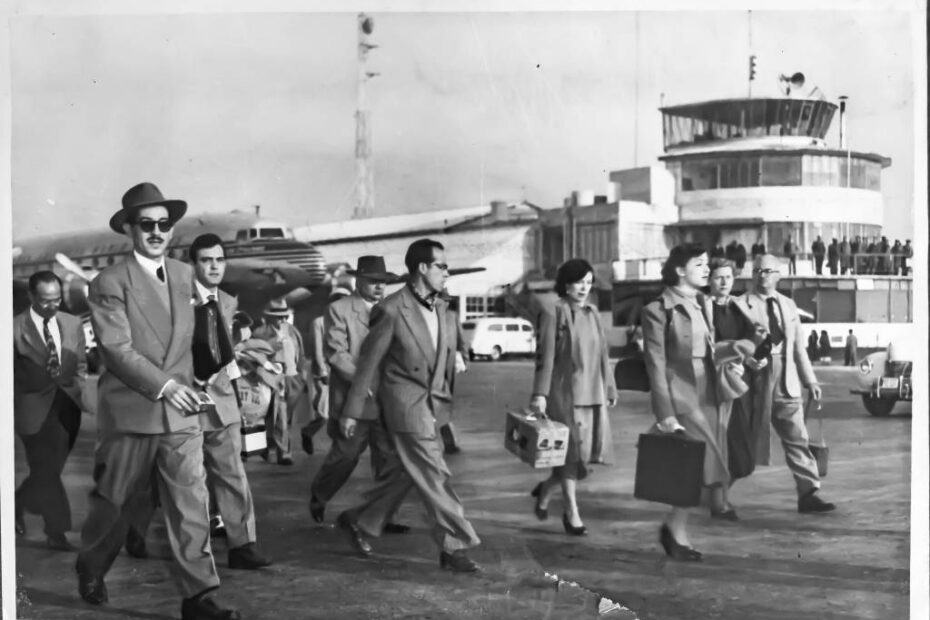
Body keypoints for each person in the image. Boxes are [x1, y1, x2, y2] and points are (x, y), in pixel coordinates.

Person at [75, 182, 239, 619]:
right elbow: (117, 350)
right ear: (129, 229)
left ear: (172, 230)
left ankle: (198, 596)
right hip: (133, 411)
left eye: (164, 224)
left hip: (182, 412)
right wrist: (169, 385)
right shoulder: (109, 283)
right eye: (146, 224)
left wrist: (209, 369)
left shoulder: (188, 276)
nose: (156, 231)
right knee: (113, 504)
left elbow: (204, 334)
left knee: (191, 504)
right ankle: (91, 564)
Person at [123, 234, 273, 569]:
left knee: (233, 474)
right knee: (171, 478)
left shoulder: (230, 302)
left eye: (219, 260)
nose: (214, 266)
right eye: (206, 260)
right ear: (194, 264)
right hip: (185, 402)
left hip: (223, 403)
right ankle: (134, 526)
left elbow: (225, 351)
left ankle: (242, 545)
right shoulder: (173, 301)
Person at [336, 239, 481, 572]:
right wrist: (352, 412)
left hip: (434, 405)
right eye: (442, 266)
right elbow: (368, 365)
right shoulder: (390, 310)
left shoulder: (444, 308)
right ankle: (454, 546)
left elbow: (446, 355)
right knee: (435, 474)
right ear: (422, 268)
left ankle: (359, 520)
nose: (447, 272)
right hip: (405, 406)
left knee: (406, 474)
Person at [308, 255, 411, 535]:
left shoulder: (394, 309)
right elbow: (336, 353)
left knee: (389, 458)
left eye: (384, 283)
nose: (379, 288)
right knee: (346, 456)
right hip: (355, 397)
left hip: (388, 398)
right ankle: (319, 495)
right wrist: (361, 380)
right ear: (359, 281)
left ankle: (382, 516)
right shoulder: (340, 309)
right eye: (373, 282)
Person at [735, 254, 835, 514]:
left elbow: (799, 348)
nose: (762, 275)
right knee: (743, 440)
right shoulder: (739, 304)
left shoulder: (789, 305)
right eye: (757, 271)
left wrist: (810, 379)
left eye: (768, 271)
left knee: (797, 438)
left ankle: (809, 494)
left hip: (787, 381)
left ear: (779, 275)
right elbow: (732, 346)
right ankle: (715, 492)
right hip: (754, 381)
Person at [642, 244, 723, 561]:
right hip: (681, 395)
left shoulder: (703, 303)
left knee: (702, 469)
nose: (707, 270)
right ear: (679, 270)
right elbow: (656, 364)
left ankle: (674, 529)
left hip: (707, 392)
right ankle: (676, 533)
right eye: (699, 264)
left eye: (707, 264)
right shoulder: (657, 310)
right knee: (698, 466)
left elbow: (708, 350)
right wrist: (665, 413)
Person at [528, 258, 618, 536]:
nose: (584, 288)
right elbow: (546, 356)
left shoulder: (593, 313)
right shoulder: (553, 312)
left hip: (593, 393)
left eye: (589, 283)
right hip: (564, 394)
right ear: (566, 283)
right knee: (570, 457)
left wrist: (611, 386)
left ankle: (545, 490)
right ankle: (572, 513)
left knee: (580, 459)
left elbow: (603, 354)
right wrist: (540, 394)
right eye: (579, 282)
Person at [13, 271, 87, 550]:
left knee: (49, 470)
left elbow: (79, 362)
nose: (53, 306)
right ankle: (56, 531)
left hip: (68, 407)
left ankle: (15, 503)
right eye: (45, 301)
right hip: (32, 410)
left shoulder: (72, 322)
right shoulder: (13, 328)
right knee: (47, 471)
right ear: (31, 297)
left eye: (57, 299)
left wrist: (79, 391)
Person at [707, 258, 767, 513]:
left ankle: (716, 496)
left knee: (741, 452)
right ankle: (718, 502)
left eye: (728, 278)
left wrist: (753, 360)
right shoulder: (704, 309)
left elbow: (749, 341)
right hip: (714, 385)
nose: (723, 282)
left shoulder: (736, 308)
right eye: (718, 277)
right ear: (709, 280)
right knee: (719, 445)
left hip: (737, 384)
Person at [253, 298, 309, 466]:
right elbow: (254, 355)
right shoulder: (260, 333)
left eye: (284, 316)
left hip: (292, 379)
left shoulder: (293, 332)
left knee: (286, 417)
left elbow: (301, 354)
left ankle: (270, 447)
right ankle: (284, 452)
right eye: (278, 316)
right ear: (269, 317)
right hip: (270, 380)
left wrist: (302, 376)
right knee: (278, 416)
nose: (282, 320)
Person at [300, 284, 351, 455]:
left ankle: (338, 447)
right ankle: (308, 431)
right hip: (323, 373)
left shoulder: (345, 322)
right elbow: (316, 349)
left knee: (340, 411)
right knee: (323, 412)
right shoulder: (319, 322)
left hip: (341, 372)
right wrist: (322, 372)